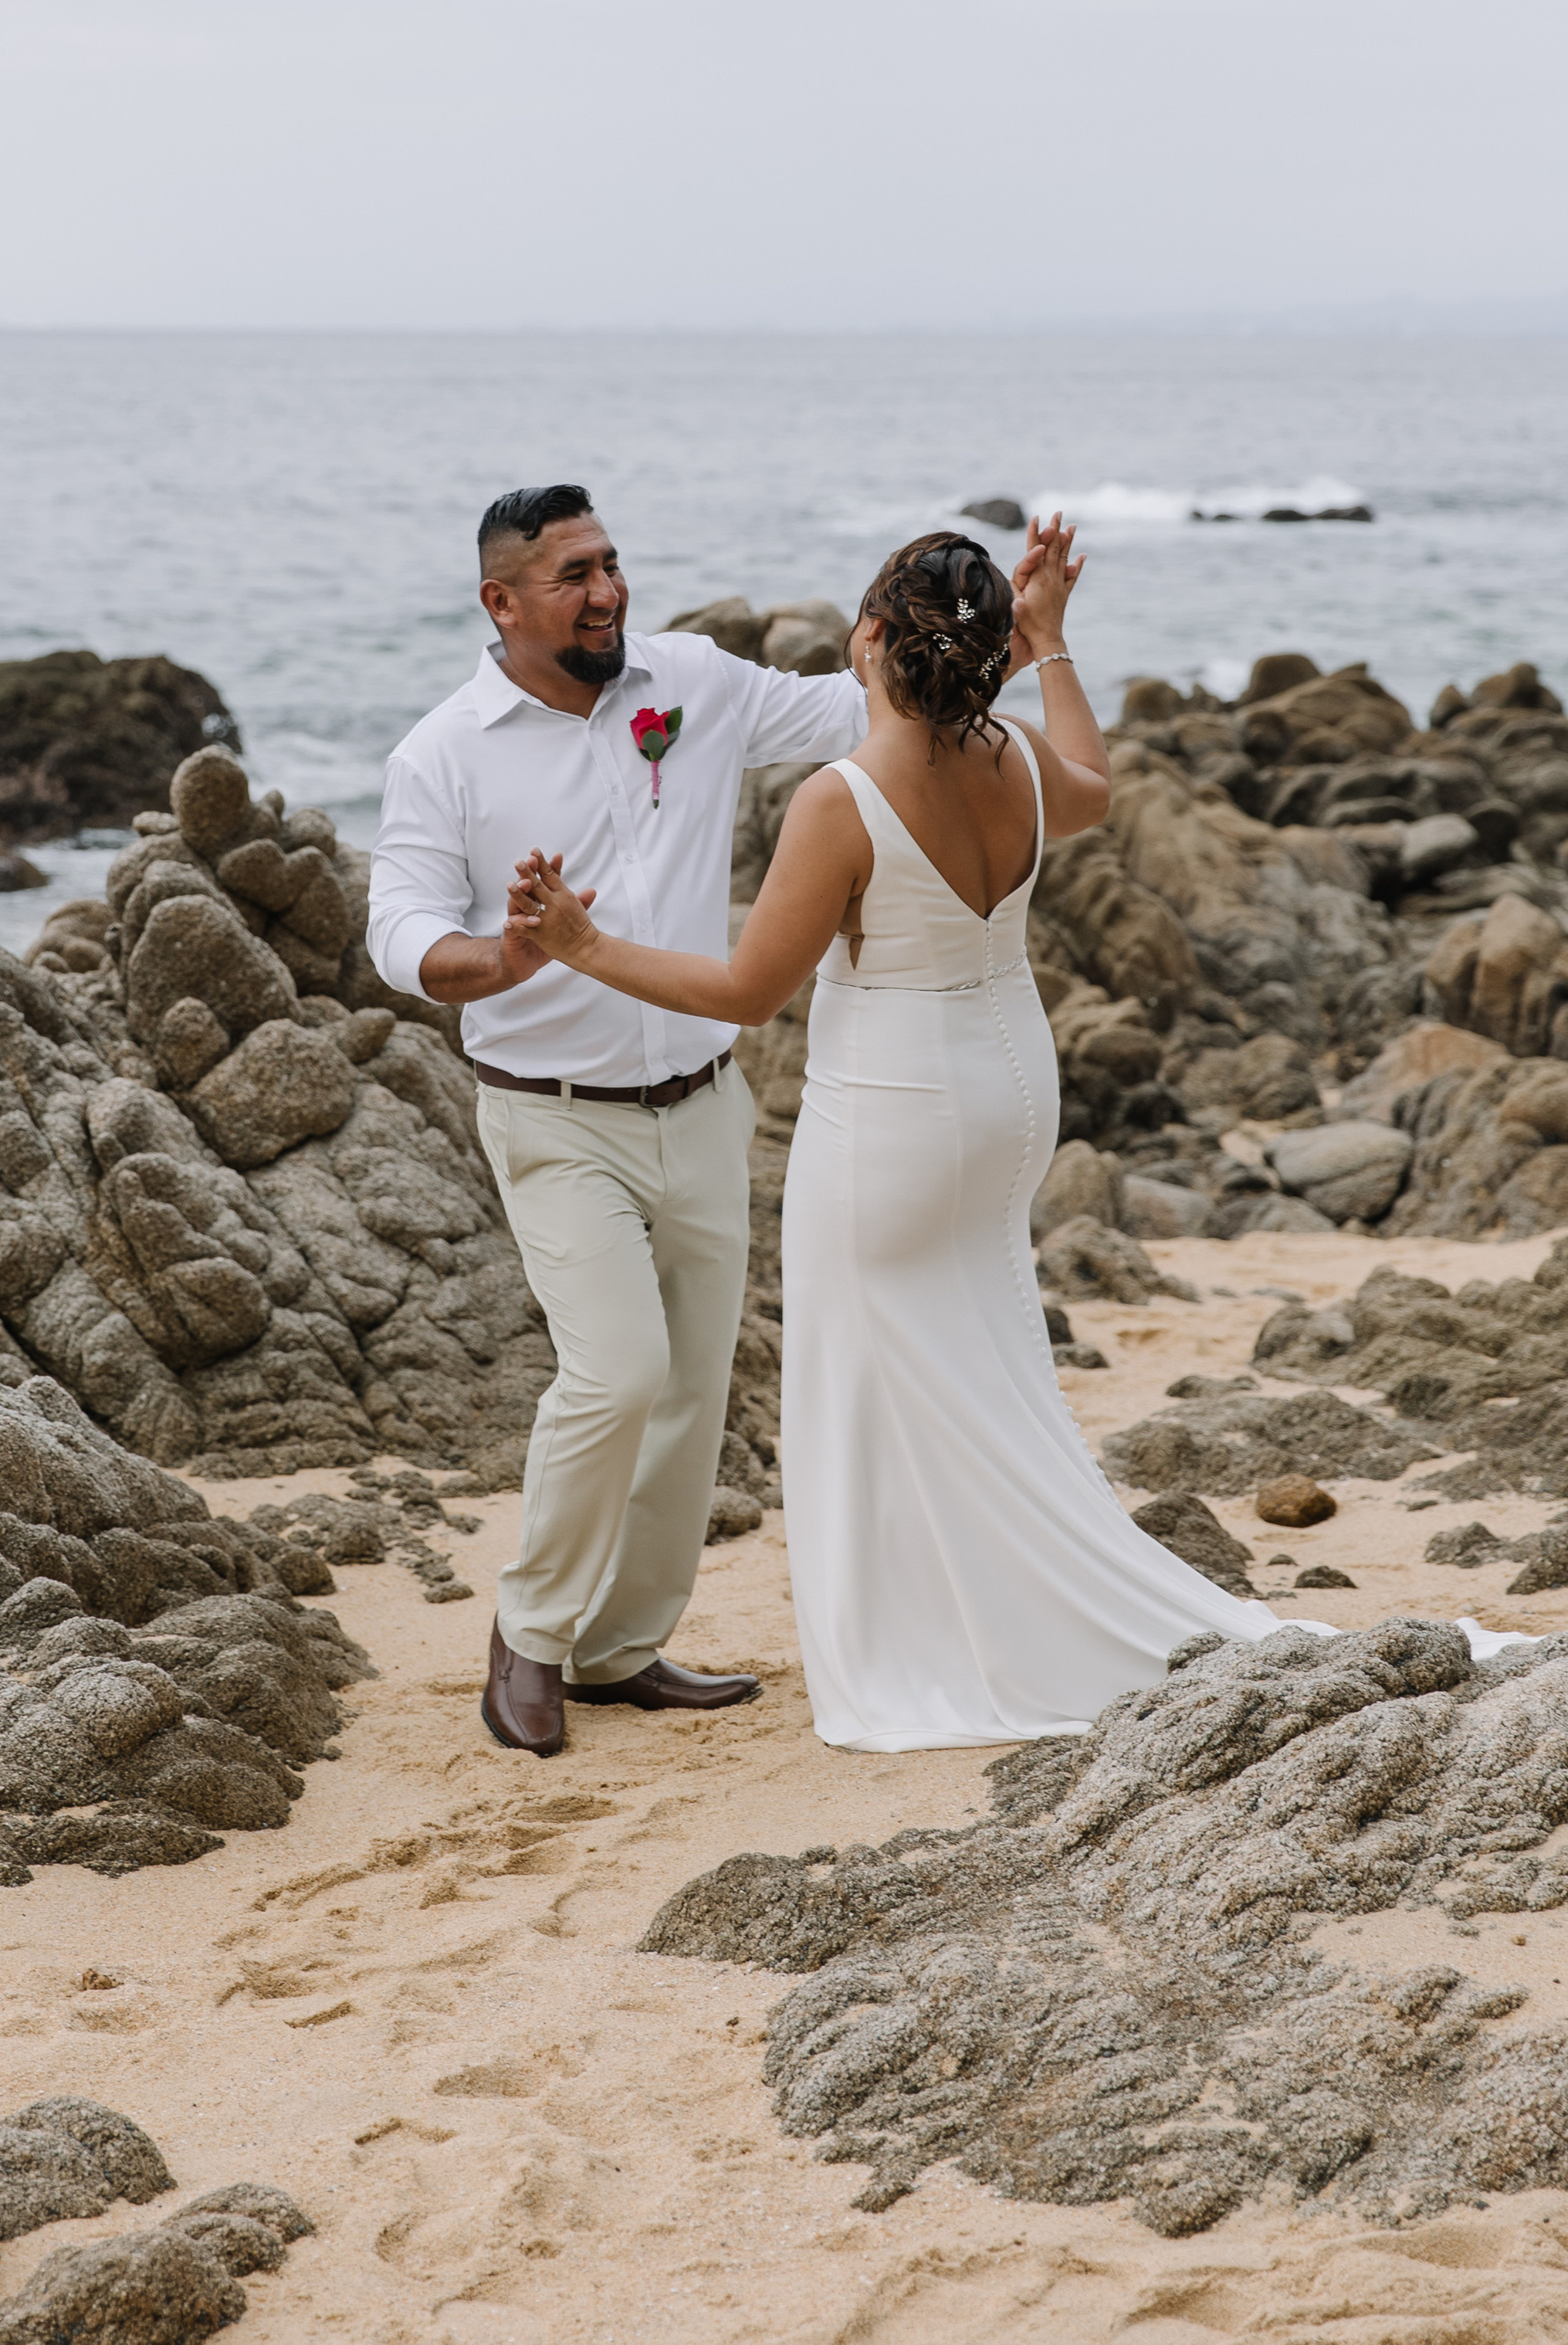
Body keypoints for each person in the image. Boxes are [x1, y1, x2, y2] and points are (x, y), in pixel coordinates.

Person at [505, 520, 1285, 1751]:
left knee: (864, 1376)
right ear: (983, 657)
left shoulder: (845, 798)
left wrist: (587, 949)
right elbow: (1100, 782)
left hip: (898, 1112)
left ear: (871, 637)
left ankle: (914, 1644)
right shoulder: (1016, 758)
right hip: (1014, 1095)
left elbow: (752, 992)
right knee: (976, 1351)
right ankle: (999, 1598)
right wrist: (1057, 644)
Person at [367, 483, 873, 1760]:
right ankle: (529, 1637)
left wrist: (999, 639)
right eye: (572, 575)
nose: (605, 592)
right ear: (502, 602)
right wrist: (507, 958)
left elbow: (857, 714)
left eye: (610, 564)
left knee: (696, 1387)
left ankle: (618, 1649)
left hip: (706, 1106)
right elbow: (400, 933)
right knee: (618, 1371)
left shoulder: (689, 680)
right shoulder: (443, 753)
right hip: (553, 1120)